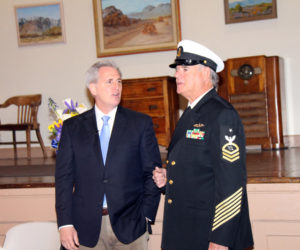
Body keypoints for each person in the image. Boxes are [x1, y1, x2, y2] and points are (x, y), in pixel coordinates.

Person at [153, 40, 254, 250]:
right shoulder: (191, 113)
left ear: (206, 73)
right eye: (177, 69)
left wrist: (221, 239)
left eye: (184, 69)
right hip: (186, 231)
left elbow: (232, 183)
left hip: (208, 235)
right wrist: (168, 176)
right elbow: (198, 167)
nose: (176, 75)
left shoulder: (222, 115)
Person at [55, 60, 162, 250]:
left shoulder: (140, 124)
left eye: (119, 81)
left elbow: (152, 173)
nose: (117, 87)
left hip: (131, 227)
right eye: (110, 81)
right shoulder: (73, 128)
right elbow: (64, 179)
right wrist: (65, 224)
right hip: (85, 229)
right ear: (93, 88)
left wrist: (146, 215)